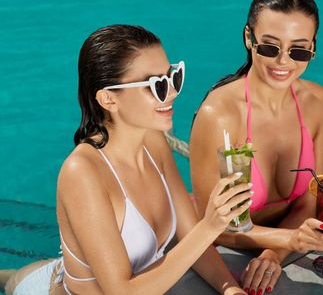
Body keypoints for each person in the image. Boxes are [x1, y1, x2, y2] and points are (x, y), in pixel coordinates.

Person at [4, 25, 251, 295]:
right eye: (156, 86)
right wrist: (210, 226)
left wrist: (230, 288)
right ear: (108, 99)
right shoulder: (82, 172)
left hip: (76, 271)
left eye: (172, 77)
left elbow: (189, 235)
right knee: (16, 282)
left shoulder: (153, 141)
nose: (171, 94)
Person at [190, 0, 323, 295]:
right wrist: (286, 240)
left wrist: (274, 254)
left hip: (279, 240)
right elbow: (210, 226)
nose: (283, 62)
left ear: (313, 47)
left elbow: (309, 197)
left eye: (298, 50)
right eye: (270, 47)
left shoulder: (320, 103)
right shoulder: (218, 114)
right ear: (248, 38)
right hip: (220, 250)